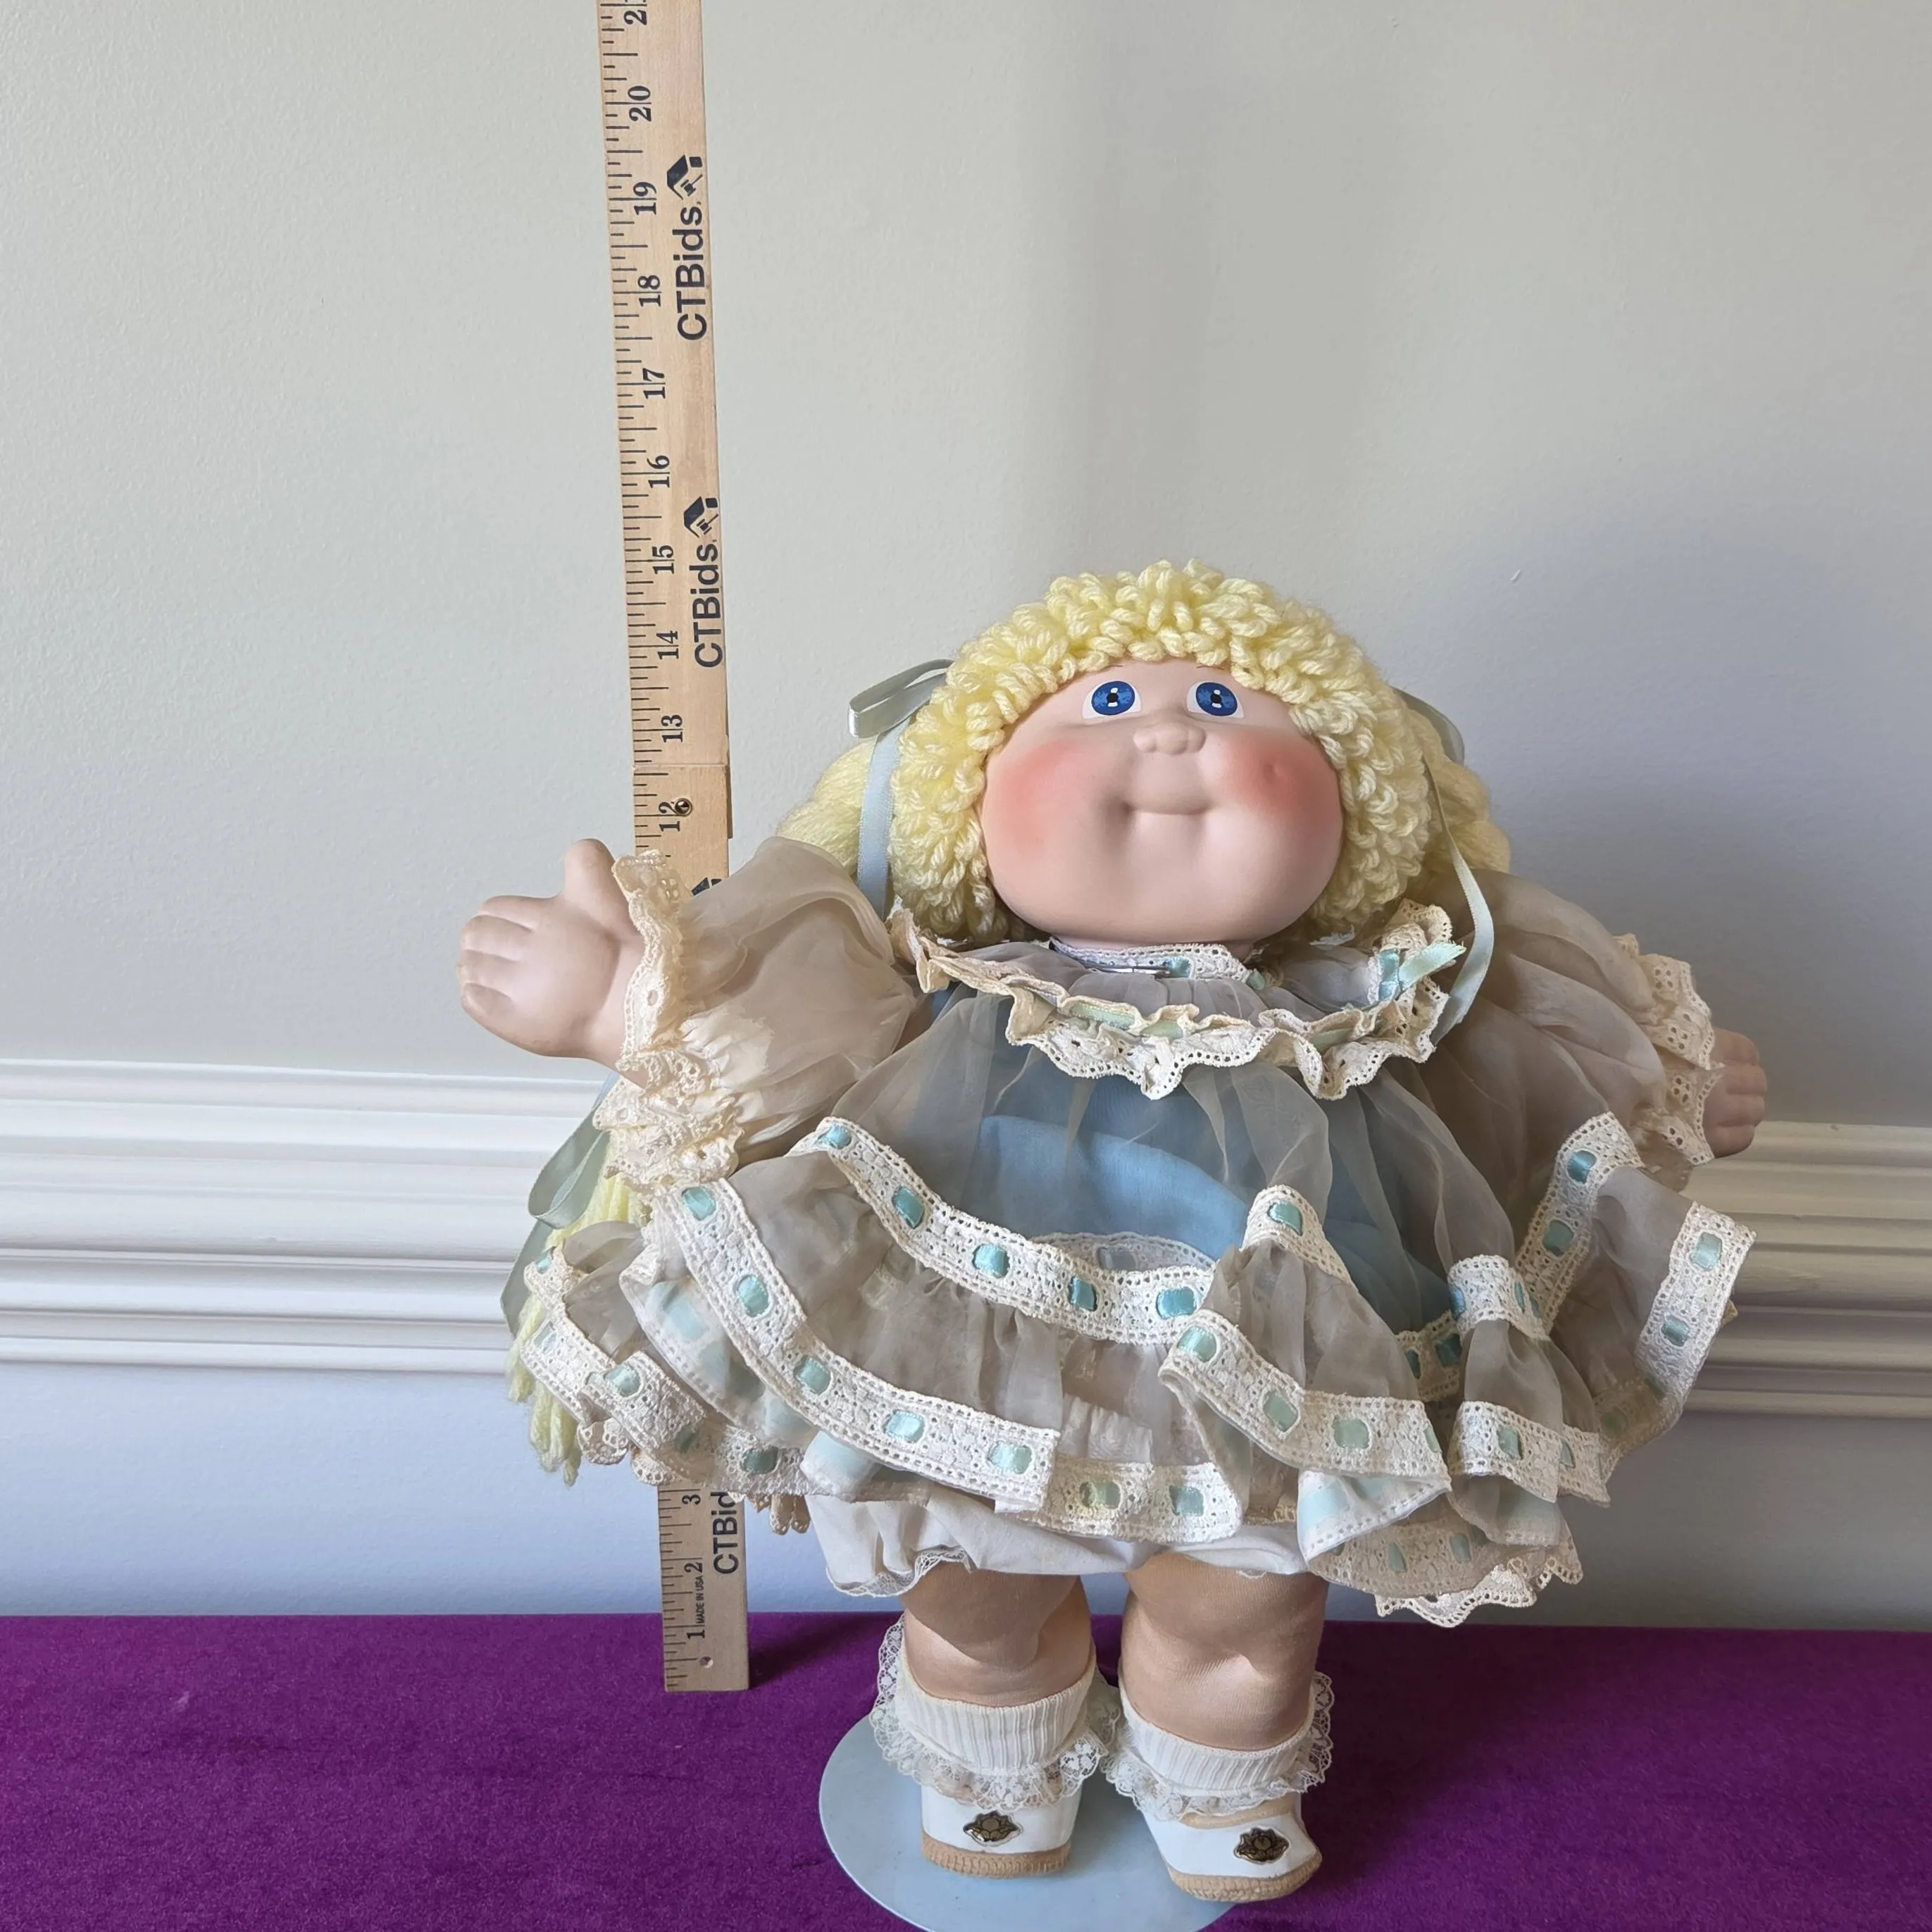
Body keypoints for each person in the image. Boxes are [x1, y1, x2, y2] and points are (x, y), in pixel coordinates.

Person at [457, 561, 1766, 1902]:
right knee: (967, 1570)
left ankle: (1220, 1767)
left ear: (1355, 812)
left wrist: (1664, 1080)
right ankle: (991, 1754)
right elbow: (771, 1051)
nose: (1169, 732)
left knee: (1247, 1593)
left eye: (1224, 703)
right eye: (1101, 705)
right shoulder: (927, 986)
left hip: (1269, 1372)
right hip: (970, 1354)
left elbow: (1523, 1070)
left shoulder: (1378, 1003)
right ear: (969, 803)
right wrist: (619, 1003)